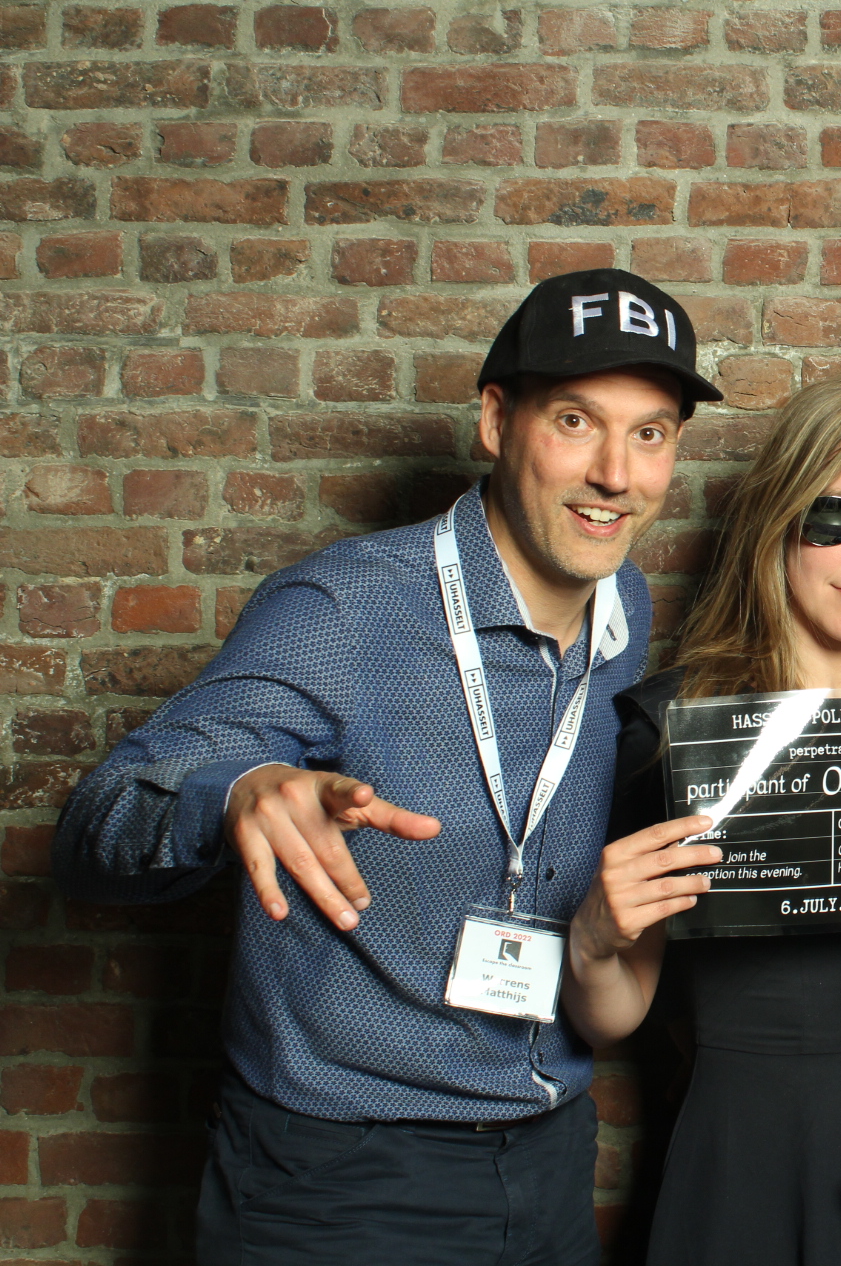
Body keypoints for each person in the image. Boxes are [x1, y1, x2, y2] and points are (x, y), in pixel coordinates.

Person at [53, 268, 722, 1265]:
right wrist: (234, 795)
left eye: (651, 432)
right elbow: (93, 828)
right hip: (340, 1180)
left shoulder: (622, 605)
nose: (616, 474)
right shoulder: (345, 608)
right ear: (496, 421)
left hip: (548, 1163)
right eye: (576, 421)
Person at [563, 377, 841, 1266]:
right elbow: (612, 1018)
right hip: (733, 1165)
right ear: (778, 516)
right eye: (835, 516)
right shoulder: (672, 733)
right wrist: (591, 939)